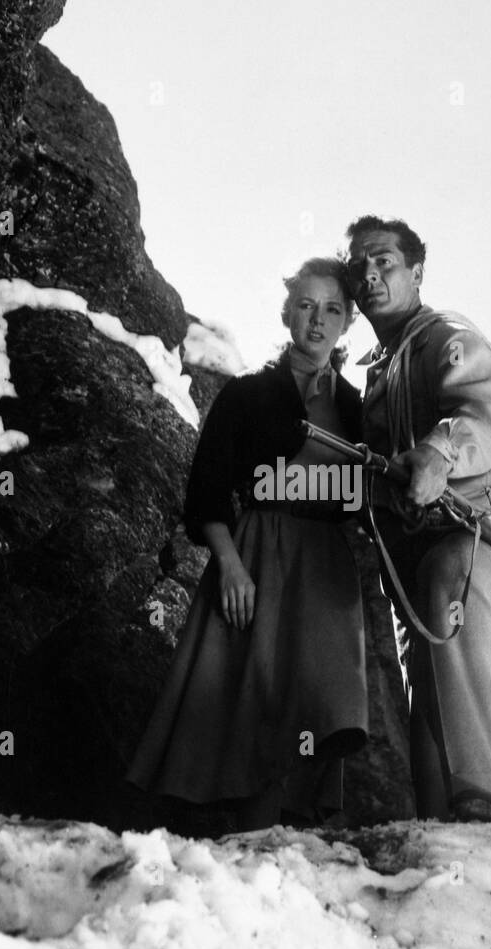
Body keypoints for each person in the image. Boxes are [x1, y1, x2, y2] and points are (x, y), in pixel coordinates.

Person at [127, 257, 368, 832]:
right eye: (306, 306)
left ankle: (295, 842)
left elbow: (370, 494)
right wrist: (230, 564)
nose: (317, 320)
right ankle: (246, 837)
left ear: (346, 322)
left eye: (332, 309)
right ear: (288, 313)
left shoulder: (359, 409)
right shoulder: (247, 394)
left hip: (328, 568)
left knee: (323, 699)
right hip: (256, 555)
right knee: (251, 698)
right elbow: (206, 491)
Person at [345, 215, 491, 827]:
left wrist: (439, 452)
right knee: (424, 661)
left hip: (486, 532)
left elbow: (484, 416)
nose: (370, 275)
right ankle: (433, 824)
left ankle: (486, 803)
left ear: (417, 272)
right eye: (360, 267)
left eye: (385, 262)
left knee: (452, 584)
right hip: (419, 551)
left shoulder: (447, 338)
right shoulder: (377, 378)